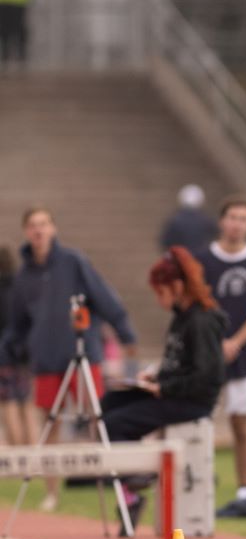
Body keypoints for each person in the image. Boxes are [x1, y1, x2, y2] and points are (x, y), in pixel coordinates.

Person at [0, 208, 138, 510]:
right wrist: (10, 349)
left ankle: (111, 484)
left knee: (96, 419)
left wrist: (125, 331)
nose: (39, 231)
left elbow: (103, 296)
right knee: (48, 424)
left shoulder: (73, 262)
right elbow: (19, 323)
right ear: (26, 231)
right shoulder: (24, 276)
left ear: (53, 228)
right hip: (46, 359)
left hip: (83, 355)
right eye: (33, 226)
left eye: (44, 224)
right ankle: (52, 491)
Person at [102, 247, 227, 531]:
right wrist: (155, 376)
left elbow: (208, 376)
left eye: (161, 292)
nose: (158, 300)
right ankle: (132, 484)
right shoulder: (181, 316)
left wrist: (165, 387)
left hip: (193, 400)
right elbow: (179, 362)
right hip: (173, 390)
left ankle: (137, 480)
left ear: (177, 286)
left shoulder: (202, 320)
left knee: (113, 424)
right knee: (108, 403)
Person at [196, 197, 246, 492]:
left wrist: (236, 342)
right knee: (200, 424)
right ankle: (201, 483)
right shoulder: (204, 260)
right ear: (221, 221)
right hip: (208, 354)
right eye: (232, 217)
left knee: (241, 425)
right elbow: (198, 306)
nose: (236, 224)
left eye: (243, 219)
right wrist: (216, 341)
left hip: (242, 355)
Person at [0, 246, 36, 446]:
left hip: (3, 357)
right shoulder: (21, 287)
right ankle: (32, 454)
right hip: (23, 355)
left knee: (9, 405)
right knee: (27, 405)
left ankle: (17, 456)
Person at [159, 185, 217, 253]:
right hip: (201, 259)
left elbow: (165, 241)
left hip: (182, 258)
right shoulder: (206, 219)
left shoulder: (174, 220)